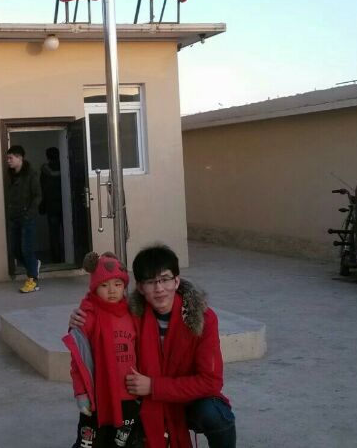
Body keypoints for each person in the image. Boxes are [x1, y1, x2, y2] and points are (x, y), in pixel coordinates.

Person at [72, 244, 236, 448]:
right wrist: (81, 319)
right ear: (140, 287)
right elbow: (100, 311)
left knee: (215, 414)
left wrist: (154, 386)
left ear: (176, 281)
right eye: (150, 282)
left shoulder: (203, 319)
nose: (159, 289)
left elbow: (211, 382)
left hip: (187, 398)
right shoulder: (130, 315)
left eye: (165, 279)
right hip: (144, 402)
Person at [64, 252, 141, 448]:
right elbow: (78, 361)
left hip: (128, 395)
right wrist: (81, 393)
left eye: (118, 284)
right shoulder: (87, 317)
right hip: (97, 397)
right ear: (94, 287)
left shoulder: (133, 313)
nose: (112, 290)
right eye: (104, 285)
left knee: (120, 443)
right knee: (90, 442)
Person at [5, 145, 42, 293]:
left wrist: (29, 213)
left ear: (19, 158)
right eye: (7, 158)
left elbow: (37, 196)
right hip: (14, 217)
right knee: (15, 250)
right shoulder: (11, 174)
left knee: (27, 249)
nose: (8, 161)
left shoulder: (31, 174)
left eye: (11, 158)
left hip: (27, 217)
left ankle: (33, 280)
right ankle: (34, 266)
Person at [39, 147, 64, 263]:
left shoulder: (45, 169)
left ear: (47, 156)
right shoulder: (65, 166)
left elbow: (43, 188)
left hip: (52, 205)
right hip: (65, 205)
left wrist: (43, 204)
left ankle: (56, 259)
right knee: (69, 232)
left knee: (54, 234)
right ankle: (69, 256)